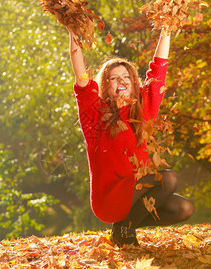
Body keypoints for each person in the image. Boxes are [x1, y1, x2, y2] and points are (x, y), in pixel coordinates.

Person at [68, 28, 193, 247]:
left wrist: (166, 31)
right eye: (114, 78)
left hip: (137, 195)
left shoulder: (143, 111)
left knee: (183, 209)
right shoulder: (95, 115)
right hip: (109, 198)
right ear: (105, 85)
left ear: (134, 82)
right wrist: (74, 36)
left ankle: (124, 228)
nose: (121, 81)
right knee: (169, 178)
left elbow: (157, 73)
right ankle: (124, 229)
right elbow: (81, 79)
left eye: (126, 77)